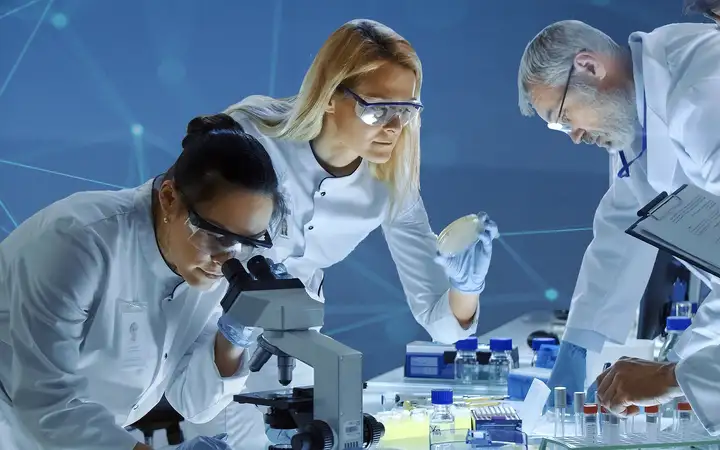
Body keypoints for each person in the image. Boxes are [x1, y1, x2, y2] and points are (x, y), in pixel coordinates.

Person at [185, 19, 499, 449]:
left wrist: (467, 286)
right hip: (200, 311)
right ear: (330, 95)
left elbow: (443, 325)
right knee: (193, 419)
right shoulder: (252, 133)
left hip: (293, 337)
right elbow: (174, 225)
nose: (393, 127)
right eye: (376, 109)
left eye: (405, 111)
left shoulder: (390, 185)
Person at [0, 113, 287, 449]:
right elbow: (46, 404)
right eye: (217, 236)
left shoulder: (215, 260)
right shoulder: (76, 242)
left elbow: (192, 402)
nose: (227, 260)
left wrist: (233, 338)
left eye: (247, 241)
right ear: (169, 198)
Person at [516, 19, 720, 432]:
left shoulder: (701, 89)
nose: (573, 136)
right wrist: (579, 347)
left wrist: (674, 374)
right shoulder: (636, 117)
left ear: (589, 67)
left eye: (562, 116)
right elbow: (621, 227)